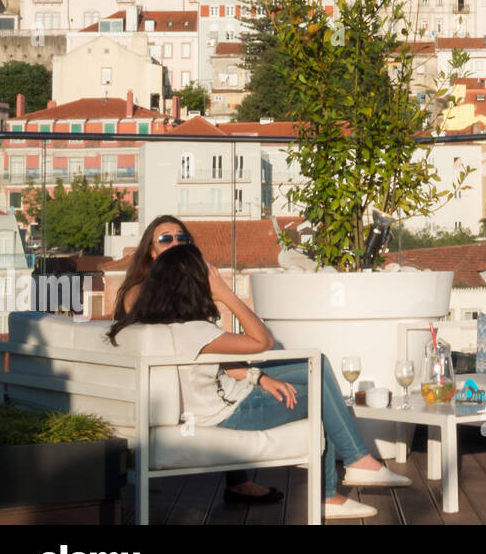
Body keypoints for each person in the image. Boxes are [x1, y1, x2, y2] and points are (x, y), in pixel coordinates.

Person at [108, 242, 409, 520]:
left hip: (220, 400)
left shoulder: (149, 326)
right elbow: (262, 341)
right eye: (206, 271)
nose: (210, 275)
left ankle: (354, 466)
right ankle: (336, 485)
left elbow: (217, 365)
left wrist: (260, 377)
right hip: (231, 412)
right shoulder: (193, 330)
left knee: (315, 365)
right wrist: (225, 294)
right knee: (318, 392)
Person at [113, 217, 279, 506]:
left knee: (255, 376)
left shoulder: (183, 291)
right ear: (151, 252)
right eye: (166, 239)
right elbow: (194, 343)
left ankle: (239, 482)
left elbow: (204, 350)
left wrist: (256, 376)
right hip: (185, 400)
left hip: (198, 384)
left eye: (182, 238)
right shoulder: (142, 294)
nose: (176, 243)